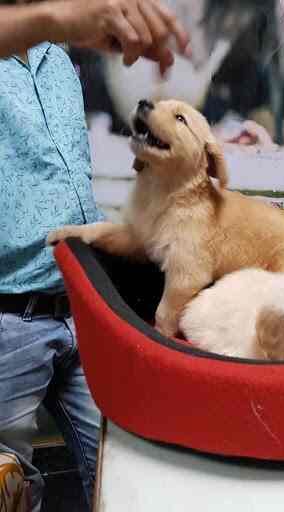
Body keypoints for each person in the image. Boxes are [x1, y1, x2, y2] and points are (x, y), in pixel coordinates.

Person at [0, 1, 190, 510]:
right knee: (8, 490)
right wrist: (59, 18)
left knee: (125, 473)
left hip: (83, 305)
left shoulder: (57, 58)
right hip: (9, 319)